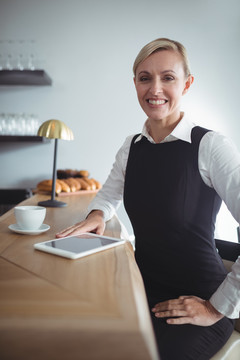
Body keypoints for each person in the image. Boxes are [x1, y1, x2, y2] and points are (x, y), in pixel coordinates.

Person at [56, 38, 240, 359]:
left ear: (187, 83)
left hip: (198, 302)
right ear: (136, 84)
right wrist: (97, 215)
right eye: (145, 78)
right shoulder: (132, 147)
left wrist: (216, 307)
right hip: (141, 290)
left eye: (168, 77)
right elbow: (108, 194)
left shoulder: (210, 146)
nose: (155, 89)